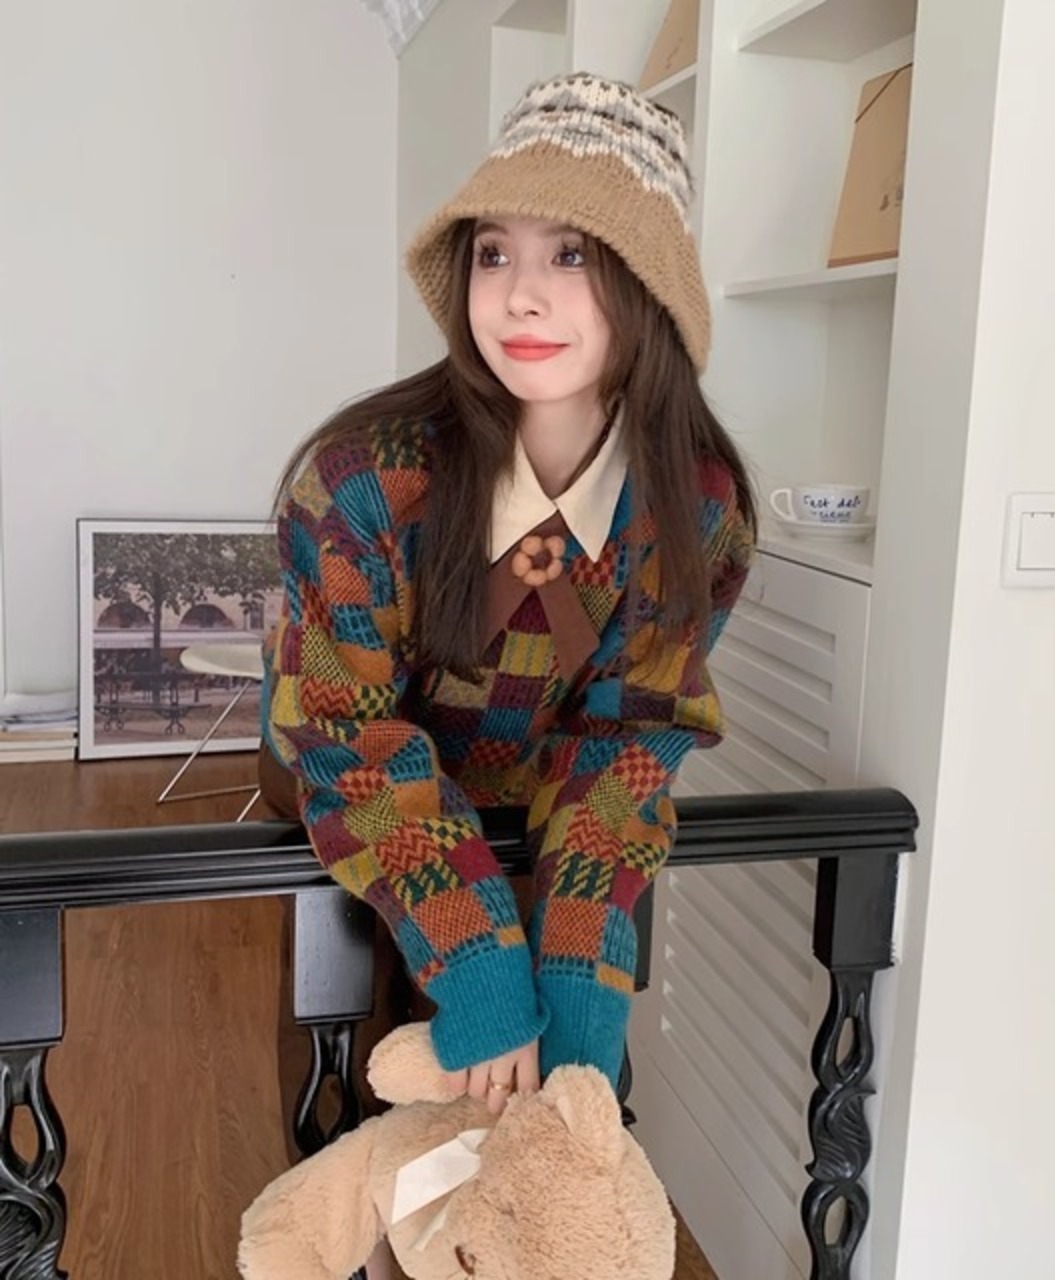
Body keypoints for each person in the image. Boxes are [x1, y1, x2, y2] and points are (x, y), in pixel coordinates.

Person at [260, 73, 757, 1117]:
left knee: (556, 1098)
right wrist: (478, 959)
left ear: (649, 282)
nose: (519, 296)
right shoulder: (364, 483)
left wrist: (578, 976)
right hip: (349, 801)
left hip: (533, 815)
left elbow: (627, 739)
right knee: (364, 1089)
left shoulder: (697, 510)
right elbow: (346, 735)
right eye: (494, 253)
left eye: (570, 254)